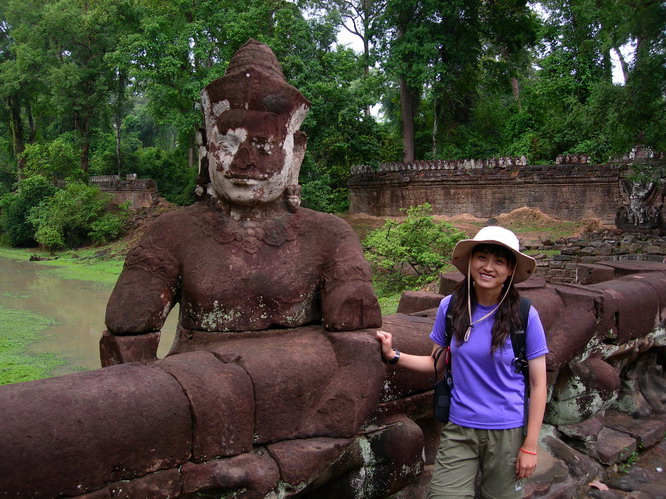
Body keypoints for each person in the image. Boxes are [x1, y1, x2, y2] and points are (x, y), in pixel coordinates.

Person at [101, 39, 381, 366]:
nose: (243, 162)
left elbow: (359, 341)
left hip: (307, 387)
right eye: (229, 145)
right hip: (196, 390)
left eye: (263, 146)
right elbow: (125, 331)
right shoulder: (171, 234)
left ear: (296, 153)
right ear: (207, 152)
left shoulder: (330, 235)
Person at [376, 226, 548, 499]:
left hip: (507, 432)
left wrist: (530, 445)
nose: (488, 267)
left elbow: (539, 384)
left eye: (499, 261)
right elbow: (438, 364)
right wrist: (393, 355)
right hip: (459, 428)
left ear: (511, 270)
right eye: (482, 257)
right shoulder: (451, 307)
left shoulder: (525, 315)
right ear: (470, 261)